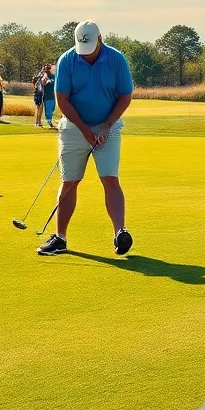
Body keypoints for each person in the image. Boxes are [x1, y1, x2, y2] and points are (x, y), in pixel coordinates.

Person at [37, 20, 134, 257]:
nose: (86, 56)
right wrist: (84, 130)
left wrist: (106, 127)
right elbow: (63, 100)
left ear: (100, 39)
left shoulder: (116, 59)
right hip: (73, 126)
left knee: (110, 178)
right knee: (70, 181)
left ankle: (120, 232)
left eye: (90, 50)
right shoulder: (68, 59)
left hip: (107, 126)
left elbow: (125, 96)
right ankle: (60, 238)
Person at [40, 63, 57, 128]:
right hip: (46, 95)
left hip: (52, 95)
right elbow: (42, 83)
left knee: (52, 108)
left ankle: (49, 119)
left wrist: (49, 81)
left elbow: (52, 81)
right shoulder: (43, 76)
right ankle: (49, 121)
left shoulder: (53, 76)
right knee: (48, 109)